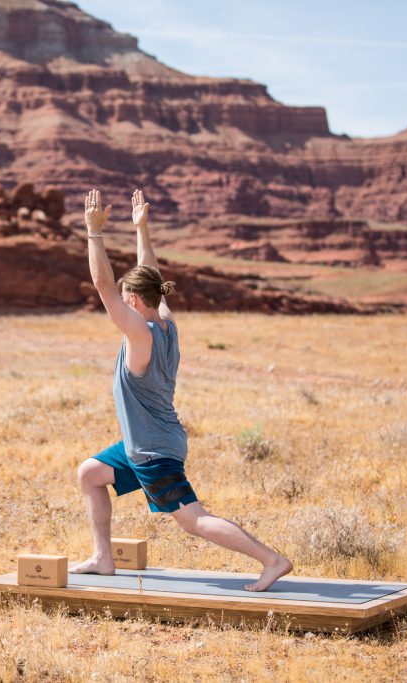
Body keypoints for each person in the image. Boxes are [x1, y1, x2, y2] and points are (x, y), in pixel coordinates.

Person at [71, 189, 293, 592]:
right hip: (145, 443)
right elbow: (150, 276)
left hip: (154, 451)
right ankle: (103, 557)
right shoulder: (167, 322)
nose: (119, 305)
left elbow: (104, 285)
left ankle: (271, 559)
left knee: (194, 522)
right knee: (90, 473)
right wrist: (142, 229)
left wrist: (94, 233)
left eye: (125, 300)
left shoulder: (140, 335)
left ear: (134, 301)